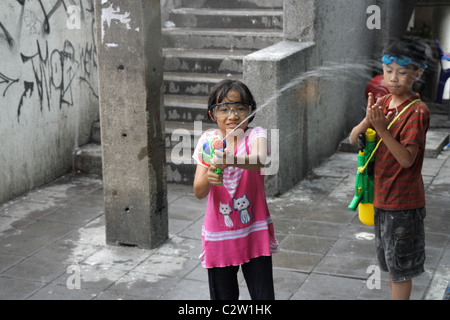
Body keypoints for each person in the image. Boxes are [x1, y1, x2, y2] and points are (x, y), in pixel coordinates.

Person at [349, 37, 429, 300]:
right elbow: (353, 139)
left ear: (417, 73)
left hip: (404, 204)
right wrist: (368, 120)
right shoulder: (383, 104)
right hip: (382, 199)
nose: (393, 78)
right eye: (388, 71)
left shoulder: (416, 111)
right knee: (390, 263)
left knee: (400, 269)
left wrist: (381, 128)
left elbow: (406, 159)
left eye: (402, 72)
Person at [192, 79, 278, 300]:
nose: (233, 116)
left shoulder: (255, 134)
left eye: (240, 108)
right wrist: (209, 178)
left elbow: (260, 160)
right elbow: (198, 191)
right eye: (224, 109)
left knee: (263, 297)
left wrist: (231, 159)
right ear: (213, 115)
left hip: (253, 232)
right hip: (219, 235)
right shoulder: (208, 141)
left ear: (250, 112)